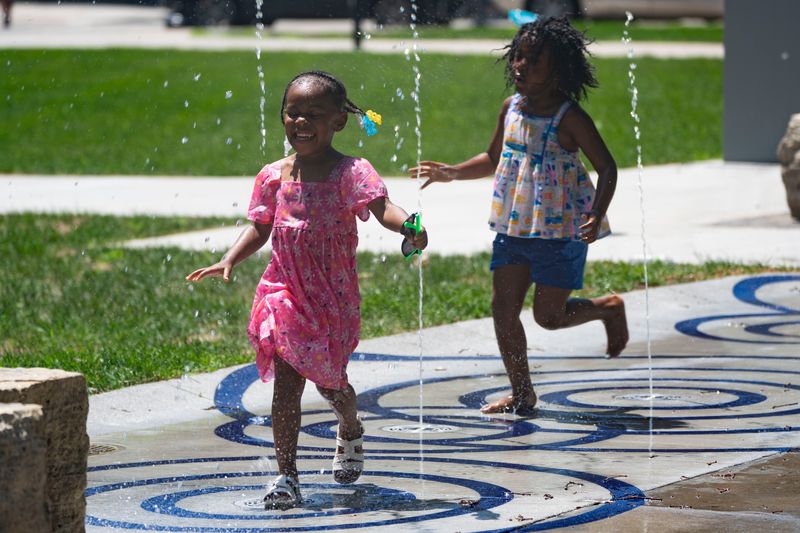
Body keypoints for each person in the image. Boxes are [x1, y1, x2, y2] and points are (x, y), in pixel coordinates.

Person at [187, 70, 428, 510]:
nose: (300, 123)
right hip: (283, 289)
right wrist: (228, 259)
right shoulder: (273, 176)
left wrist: (409, 225)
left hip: (331, 298)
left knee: (333, 386)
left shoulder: (350, 171)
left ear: (338, 121)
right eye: (292, 113)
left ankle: (350, 426)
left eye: (313, 115)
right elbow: (260, 228)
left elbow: (382, 208)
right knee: (287, 382)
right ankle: (286, 476)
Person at [410, 16, 627, 415]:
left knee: (549, 317)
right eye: (518, 57)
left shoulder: (570, 118)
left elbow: (608, 168)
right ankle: (522, 392)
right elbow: (494, 158)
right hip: (513, 227)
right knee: (502, 308)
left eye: (533, 61)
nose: (520, 67)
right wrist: (453, 172)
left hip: (561, 233)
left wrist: (598, 213)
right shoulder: (510, 107)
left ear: (559, 70)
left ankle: (608, 309)